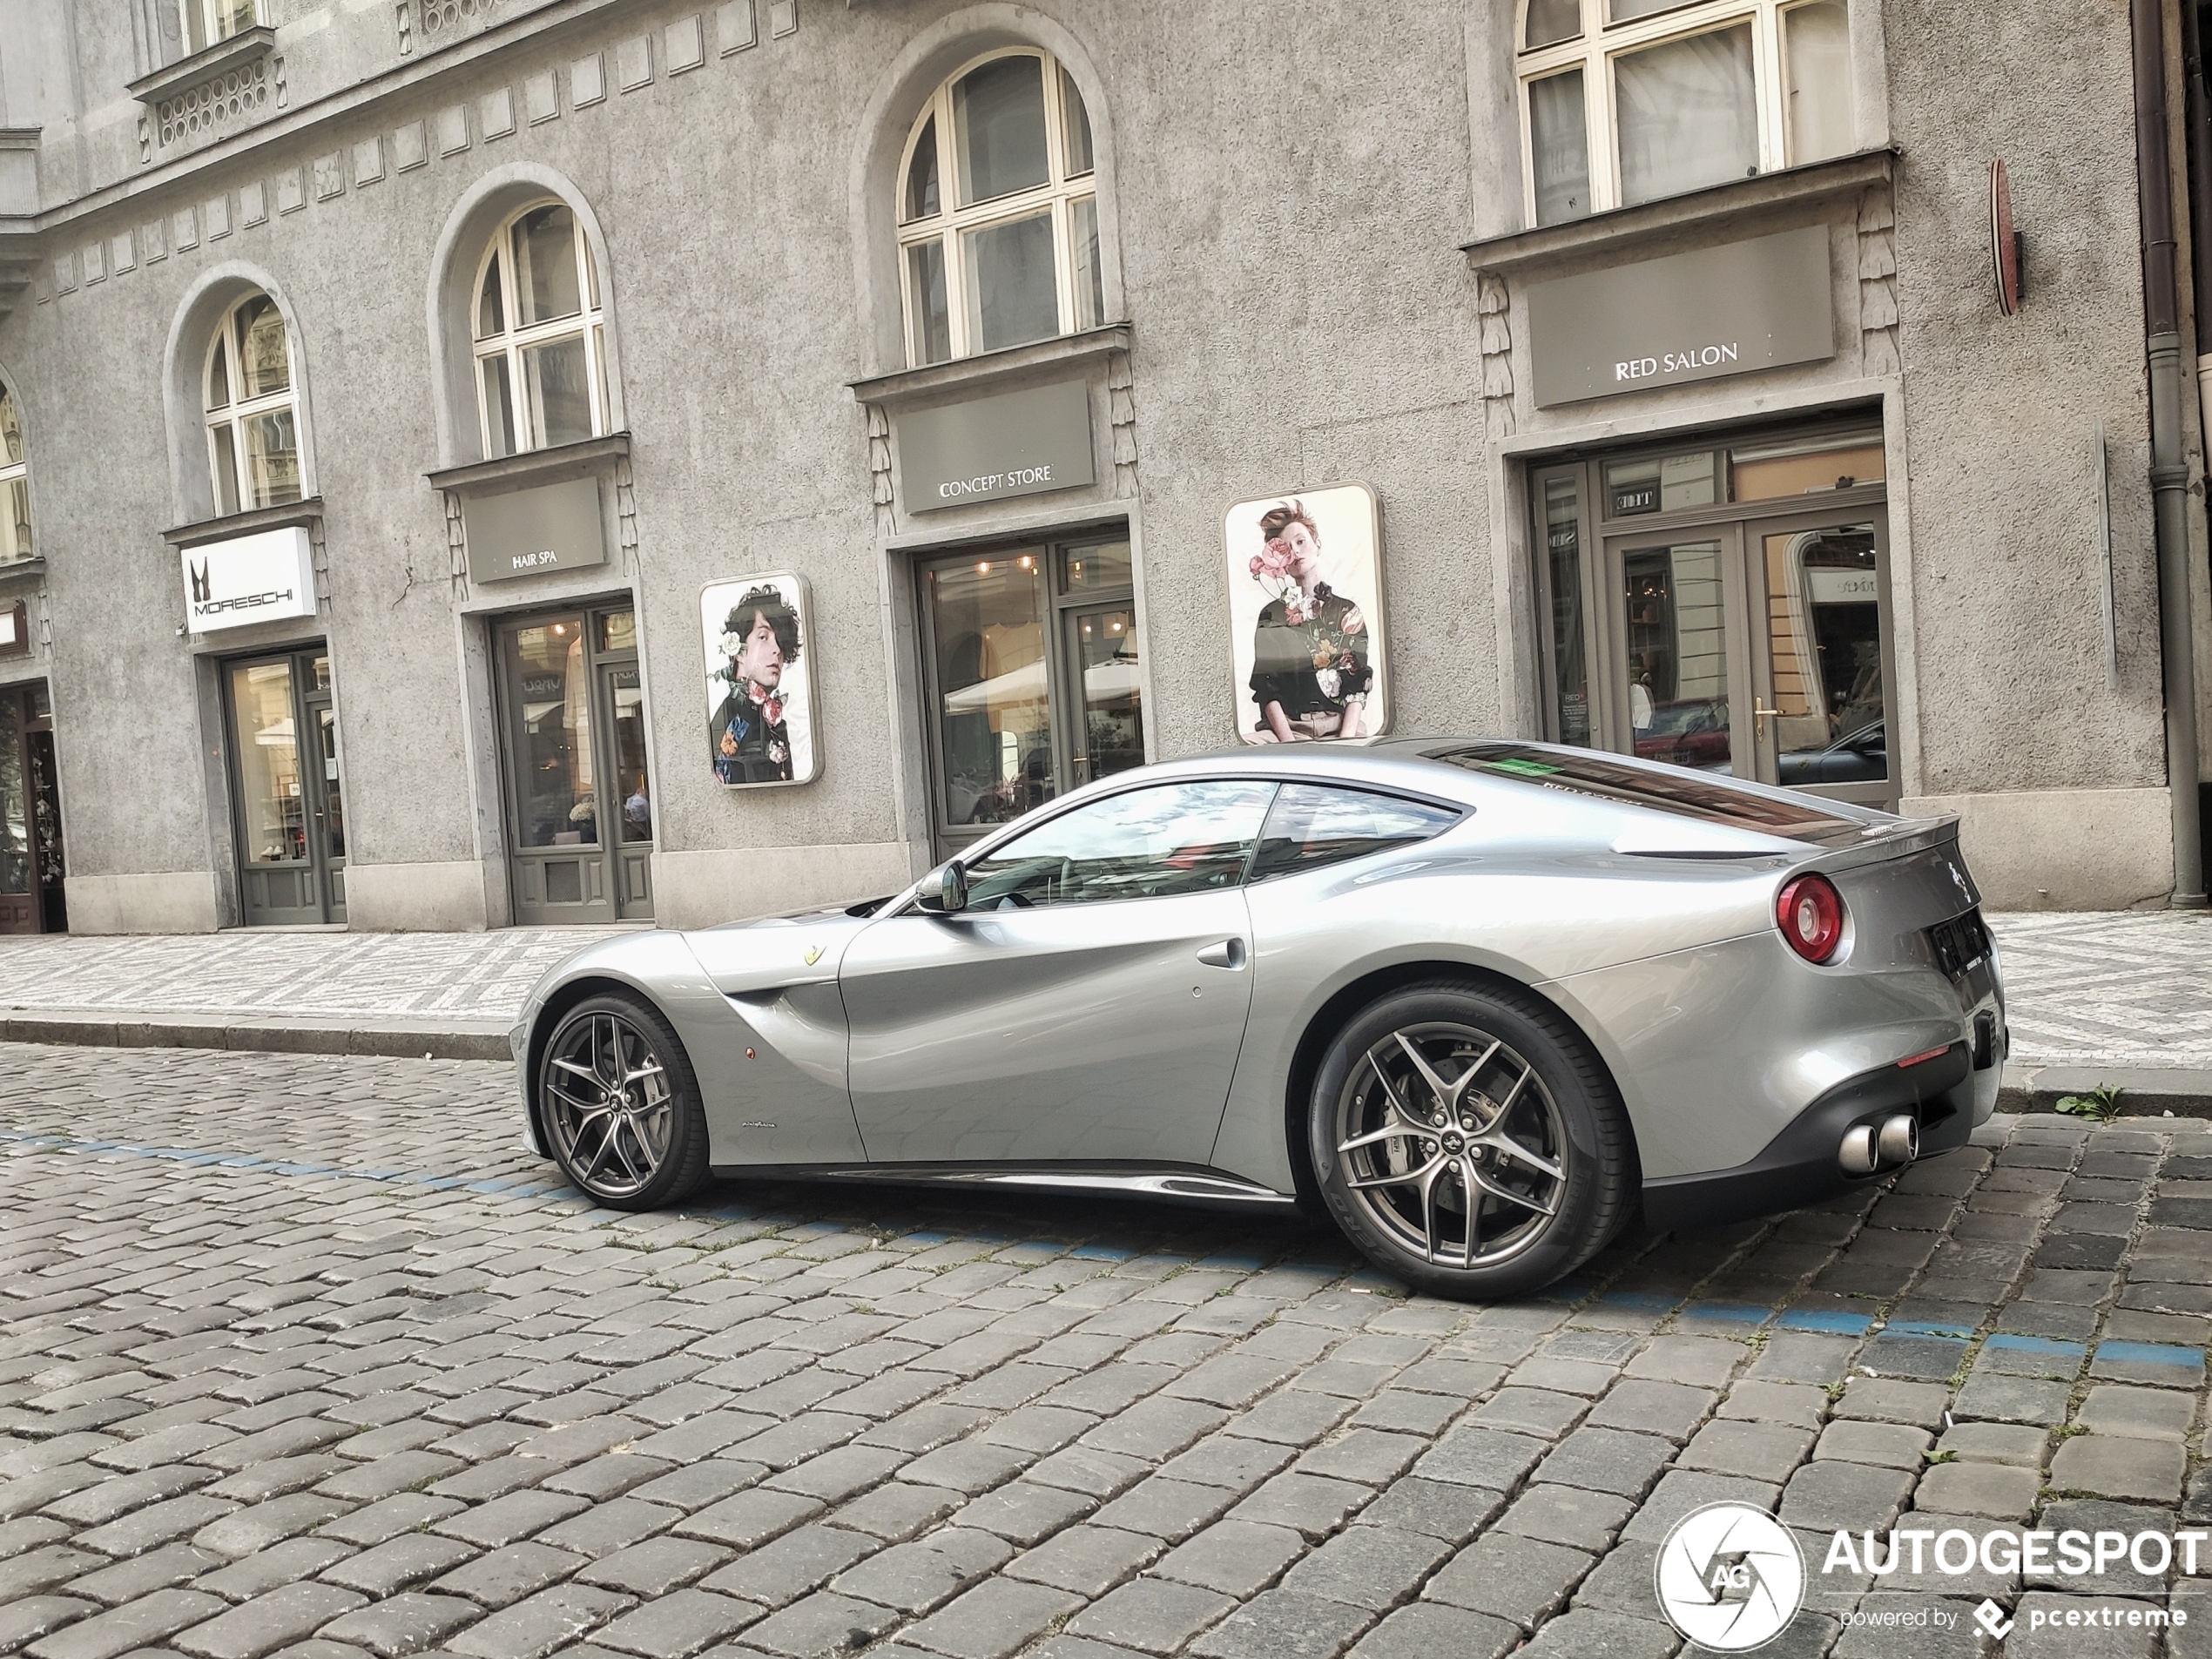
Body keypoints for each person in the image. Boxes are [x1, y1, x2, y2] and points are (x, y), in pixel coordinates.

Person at [1246, 500, 1372, 741]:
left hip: (1339, 725)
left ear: (1317, 544)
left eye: (1301, 542)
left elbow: (1358, 682)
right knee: (1251, 745)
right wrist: (1289, 745)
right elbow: (1267, 687)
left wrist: (1345, 742)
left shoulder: (1346, 611)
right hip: (1288, 727)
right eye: (1285, 548)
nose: (1295, 552)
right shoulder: (1272, 615)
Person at [711, 585, 802, 784]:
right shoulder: (737, 717)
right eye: (763, 637)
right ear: (739, 651)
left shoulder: (762, 715)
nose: (776, 650)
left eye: (780, 641)